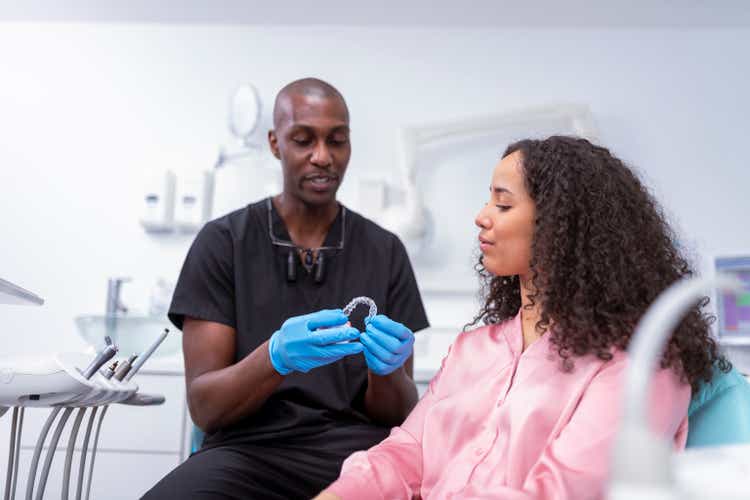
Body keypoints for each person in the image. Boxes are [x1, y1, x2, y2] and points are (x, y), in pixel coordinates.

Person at [316, 136, 728, 500]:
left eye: (503, 203)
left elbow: (562, 492)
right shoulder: (473, 350)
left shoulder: (641, 367)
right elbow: (406, 454)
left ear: (560, 225)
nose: (482, 216)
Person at [143, 78, 429, 499]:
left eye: (337, 140)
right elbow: (205, 408)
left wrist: (386, 371)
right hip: (247, 454)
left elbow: (400, 413)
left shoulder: (384, 251)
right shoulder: (224, 243)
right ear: (275, 144)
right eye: (303, 140)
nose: (323, 156)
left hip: (358, 455)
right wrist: (274, 357)